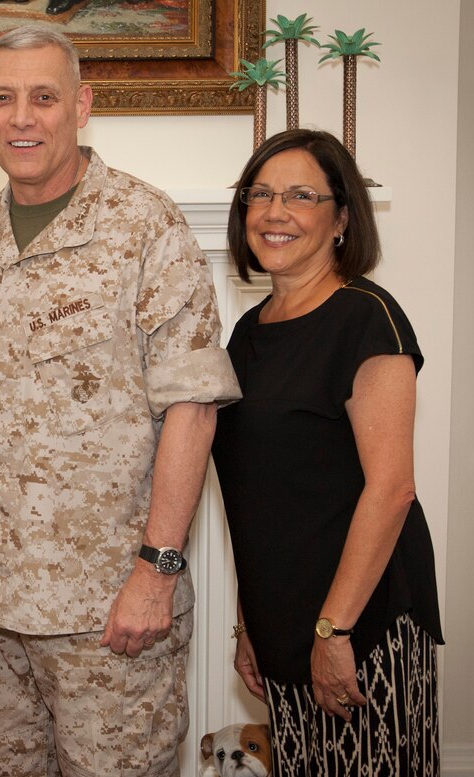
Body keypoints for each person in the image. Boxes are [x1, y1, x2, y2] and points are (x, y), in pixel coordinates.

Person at [0, 25, 240, 777]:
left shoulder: (145, 227)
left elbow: (195, 405)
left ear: (81, 106)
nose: (23, 117)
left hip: (110, 615)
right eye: (3, 98)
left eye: (44, 97)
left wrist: (157, 571)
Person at [211, 129, 443, 776]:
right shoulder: (246, 335)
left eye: (300, 195)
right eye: (260, 194)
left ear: (341, 217)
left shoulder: (367, 318)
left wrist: (333, 631)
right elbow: (256, 493)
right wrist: (247, 622)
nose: (273, 211)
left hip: (360, 626)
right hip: (284, 623)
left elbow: (393, 487)